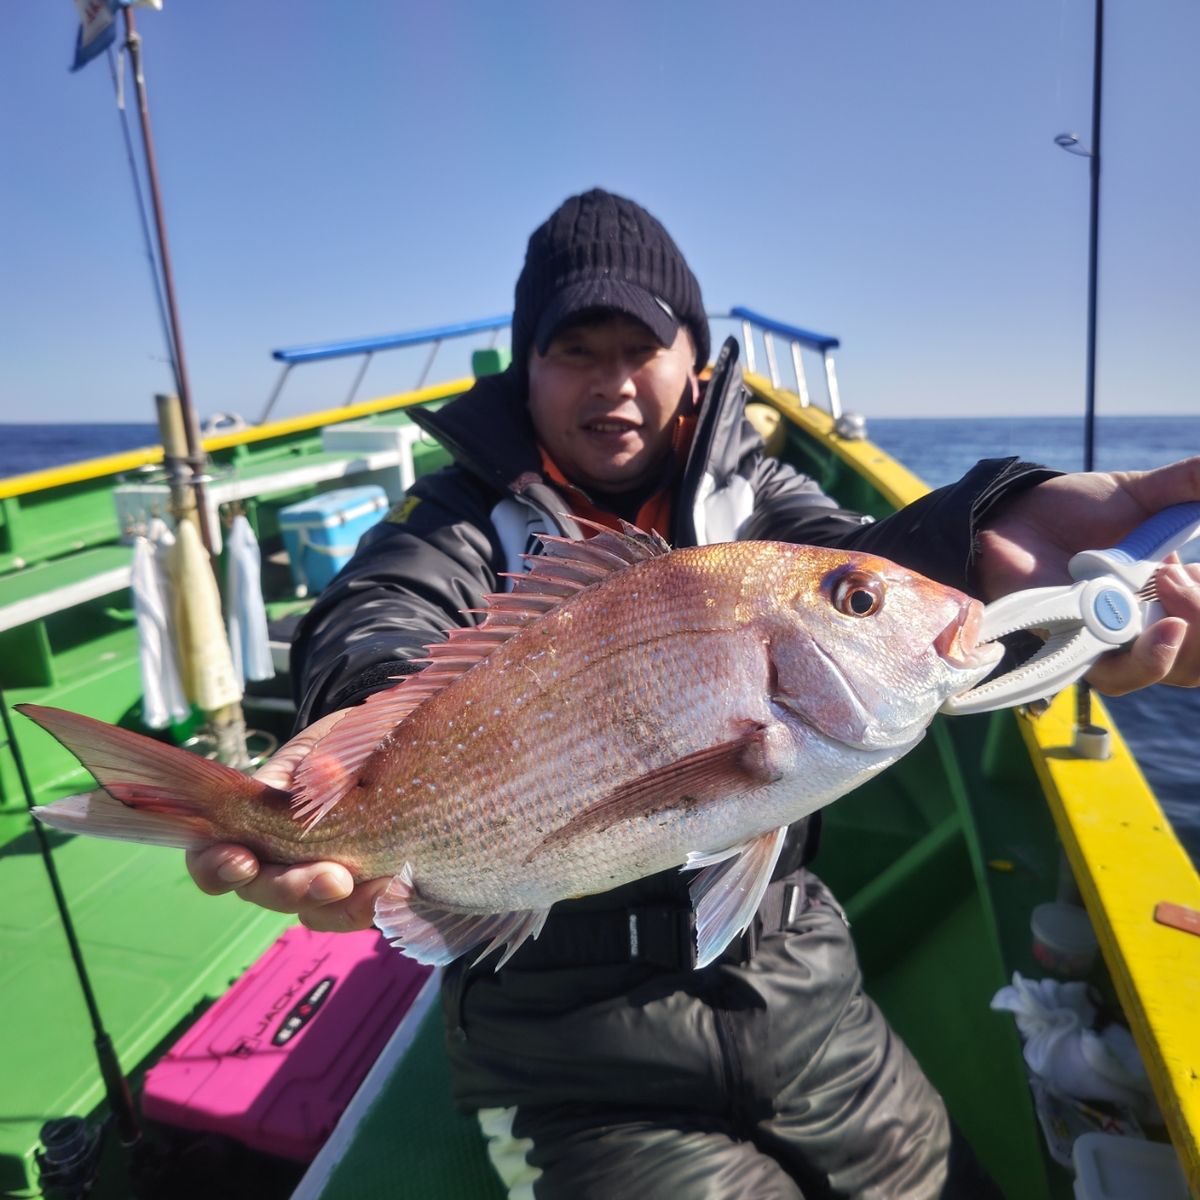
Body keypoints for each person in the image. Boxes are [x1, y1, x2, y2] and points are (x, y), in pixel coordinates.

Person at [189, 189, 1200, 1198]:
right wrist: (360, 723)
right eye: (574, 348)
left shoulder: (758, 504)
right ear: (524, 367)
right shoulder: (453, 522)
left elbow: (865, 562)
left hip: (801, 992)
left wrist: (989, 538)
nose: (614, 382)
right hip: (563, 1044)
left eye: (642, 346)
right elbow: (382, 612)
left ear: (695, 361)